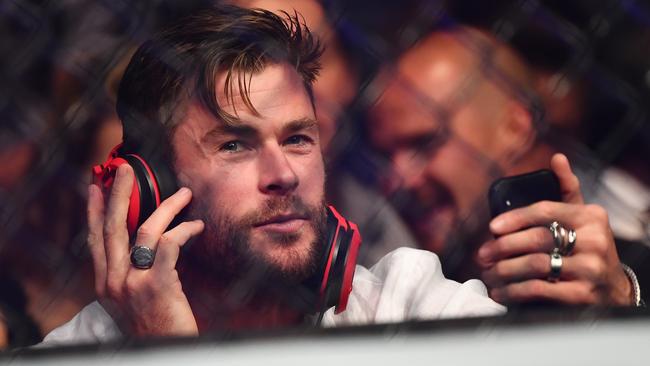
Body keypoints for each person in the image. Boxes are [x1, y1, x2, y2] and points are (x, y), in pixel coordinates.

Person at [39, 5, 504, 346]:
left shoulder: (407, 302)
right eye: (234, 145)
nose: (283, 175)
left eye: (298, 139)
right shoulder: (74, 354)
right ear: (151, 189)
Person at [366, 26, 644, 306]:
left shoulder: (626, 272)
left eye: (426, 142)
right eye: (384, 156)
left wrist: (623, 297)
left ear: (515, 128)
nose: (399, 179)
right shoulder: (393, 296)